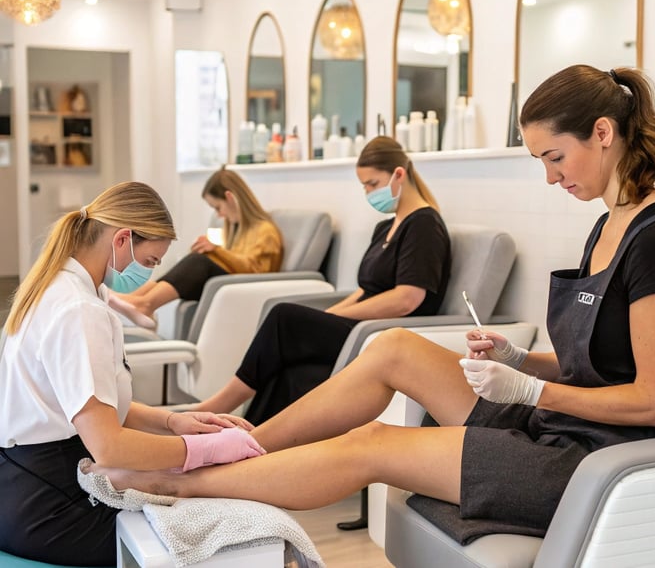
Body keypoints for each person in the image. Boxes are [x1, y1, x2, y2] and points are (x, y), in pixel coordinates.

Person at [86, 66, 655, 541]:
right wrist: (521, 359)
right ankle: (236, 448)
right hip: (555, 423)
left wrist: (529, 389)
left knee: (373, 443)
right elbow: (592, 366)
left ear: (602, 133)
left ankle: (180, 482)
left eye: (554, 157)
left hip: (594, 458)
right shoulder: (606, 226)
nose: (550, 176)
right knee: (395, 349)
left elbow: (654, 403)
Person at [0, 182, 263, 566]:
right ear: (122, 239)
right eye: (151, 261)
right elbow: (110, 447)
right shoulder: (78, 310)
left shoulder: (68, 288)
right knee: (226, 535)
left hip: (29, 486)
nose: (150, 272)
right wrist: (203, 450)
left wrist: (173, 421)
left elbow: (91, 405)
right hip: (50, 507)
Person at [194, 135, 452, 425]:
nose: (368, 193)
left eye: (372, 184)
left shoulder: (424, 224)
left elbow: (407, 299)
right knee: (289, 368)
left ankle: (218, 406)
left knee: (283, 317)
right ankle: (248, 437)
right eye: (364, 186)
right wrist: (329, 315)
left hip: (382, 331)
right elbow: (365, 290)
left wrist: (338, 317)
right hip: (361, 324)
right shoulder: (385, 227)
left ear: (399, 175)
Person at [109, 166, 283, 329]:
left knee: (199, 262)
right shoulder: (238, 229)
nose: (219, 215)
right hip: (229, 284)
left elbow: (257, 270)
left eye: (218, 207)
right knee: (197, 258)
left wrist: (216, 251)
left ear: (230, 198)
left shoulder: (265, 231)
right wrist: (212, 250)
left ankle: (145, 303)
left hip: (247, 287)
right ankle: (136, 298)